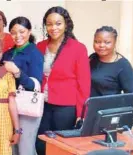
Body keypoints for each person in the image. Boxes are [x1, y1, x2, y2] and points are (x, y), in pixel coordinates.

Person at [36, 6, 91, 155]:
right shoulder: (40, 46)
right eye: (49, 24)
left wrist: (82, 113)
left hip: (66, 107)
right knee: (41, 145)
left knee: (62, 147)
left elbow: (84, 84)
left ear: (66, 24)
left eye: (58, 23)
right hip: (43, 105)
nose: (53, 27)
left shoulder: (78, 48)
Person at [2, 16, 44, 155]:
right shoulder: (8, 53)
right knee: (12, 145)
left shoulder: (34, 53)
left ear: (29, 31)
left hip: (27, 107)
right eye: (13, 32)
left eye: (22, 31)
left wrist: (17, 72)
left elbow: (34, 85)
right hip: (10, 105)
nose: (17, 36)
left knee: (25, 148)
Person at [90, 26, 133, 97]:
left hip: (109, 107)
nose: (101, 45)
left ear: (115, 43)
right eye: (97, 42)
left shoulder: (123, 65)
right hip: (90, 106)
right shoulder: (92, 58)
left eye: (107, 42)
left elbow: (131, 95)